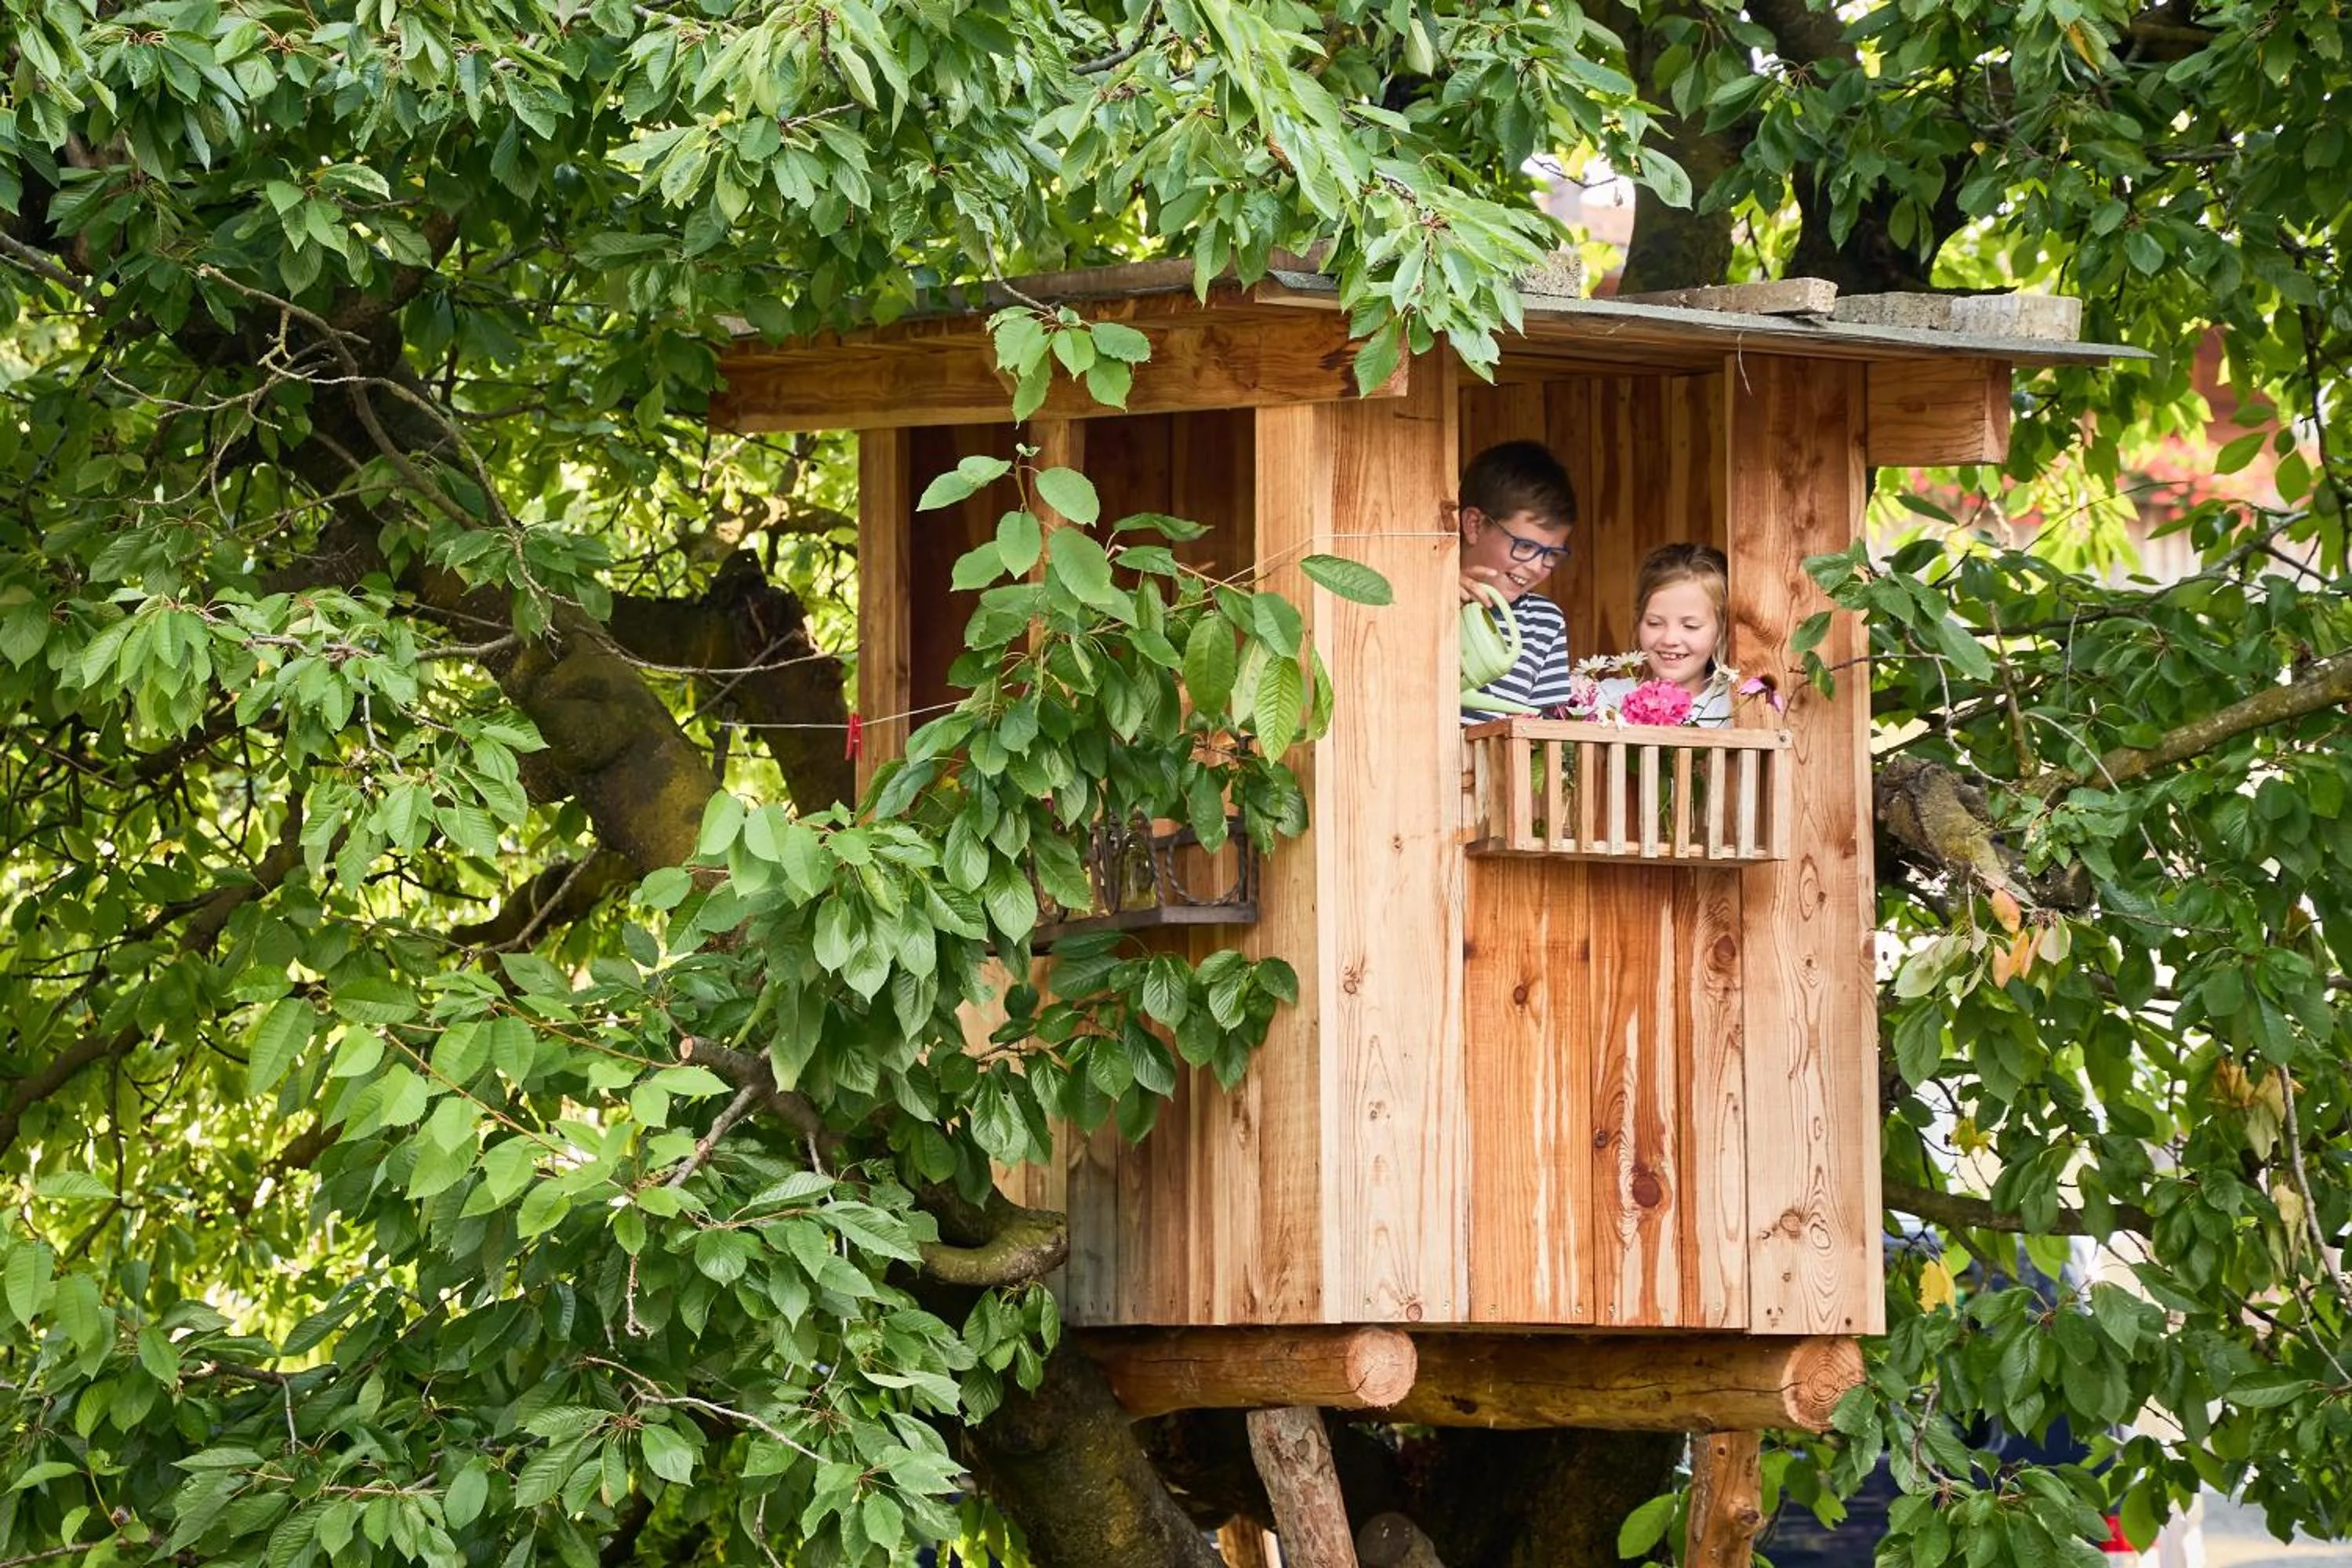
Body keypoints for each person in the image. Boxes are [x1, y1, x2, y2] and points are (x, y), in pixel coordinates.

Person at [1454, 440, 1577, 722]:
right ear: (1474, 525)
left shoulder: (1544, 622)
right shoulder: (1417, 594)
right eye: (1524, 547)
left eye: (1551, 554)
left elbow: (1548, 730)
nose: (1536, 567)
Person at [1596, 543, 1732, 726]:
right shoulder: (1606, 700)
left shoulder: (1733, 708)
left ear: (1722, 629)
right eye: (1655, 623)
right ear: (1639, 620)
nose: (1670, 639)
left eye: (1690, 626)